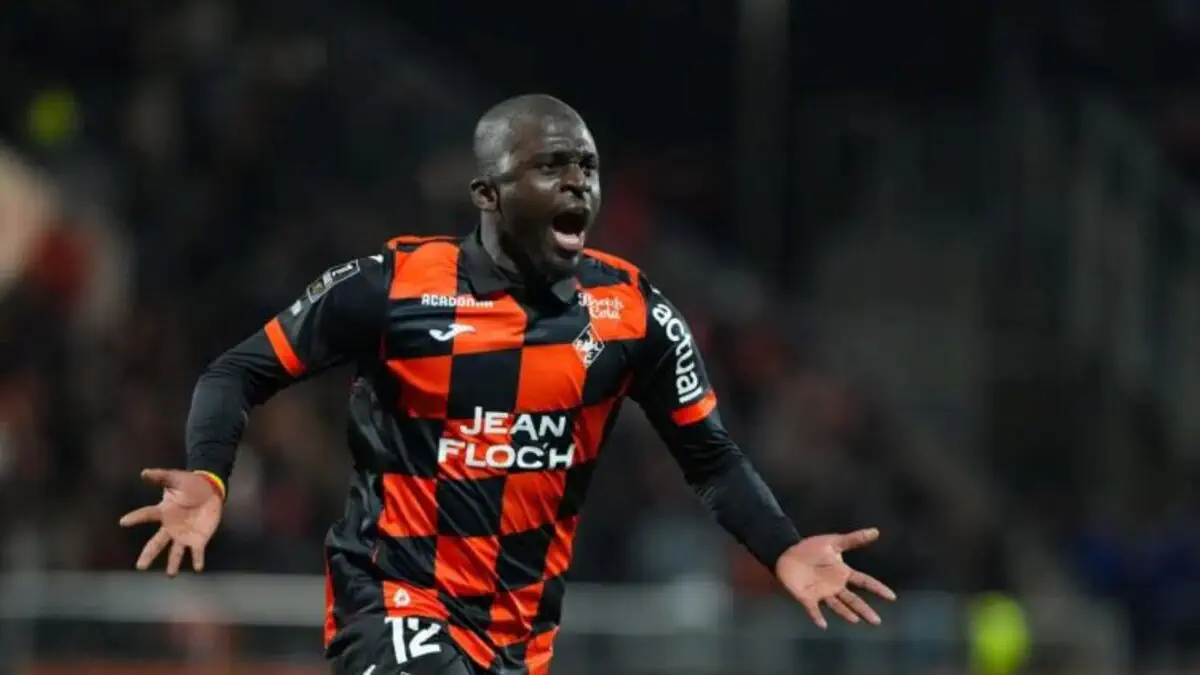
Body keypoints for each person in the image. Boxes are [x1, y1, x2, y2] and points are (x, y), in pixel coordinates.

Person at [119, 94, 896, 675]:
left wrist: (783, 548)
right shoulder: (393, 287)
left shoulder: (631, 313)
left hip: (519, 635)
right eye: (551, 165)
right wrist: (211, 472)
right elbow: (239, 370)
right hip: (393, 600)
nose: (577, 184)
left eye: (587, 167)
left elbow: (711, 456)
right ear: (487, 193)